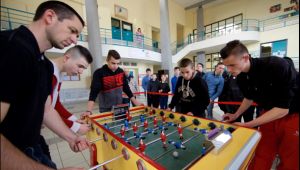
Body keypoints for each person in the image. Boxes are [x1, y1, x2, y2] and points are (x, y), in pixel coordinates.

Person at [0, 1, 89, 170]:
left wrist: (72, 137)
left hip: (33, 146)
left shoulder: (44, 64)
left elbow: (47, 109)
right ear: (49, 17)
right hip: (11, 154)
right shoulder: (11, 48)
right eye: (72, 31)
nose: (74, 39)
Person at [221, 40, 299, 170]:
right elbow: (249, 97)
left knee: (290, 157)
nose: (228, 70)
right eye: (226, 66)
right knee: (263, 152)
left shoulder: (276, 66)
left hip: (293, 114)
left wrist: (248, 125)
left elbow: (283, 109)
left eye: (232, 65)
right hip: (269, 112)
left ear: (246, 58)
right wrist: (236, 115)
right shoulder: (241, 75)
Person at [80, 50, 143, 118]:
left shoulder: (121, 72)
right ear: (107, 61)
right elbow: (93, 92)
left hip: (118, 107)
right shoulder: (99, 73)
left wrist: (136, 103)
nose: (116, 66)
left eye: (118, 63)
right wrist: (89, 111)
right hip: (105, 109)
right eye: (113, 63)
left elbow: (127, 89)